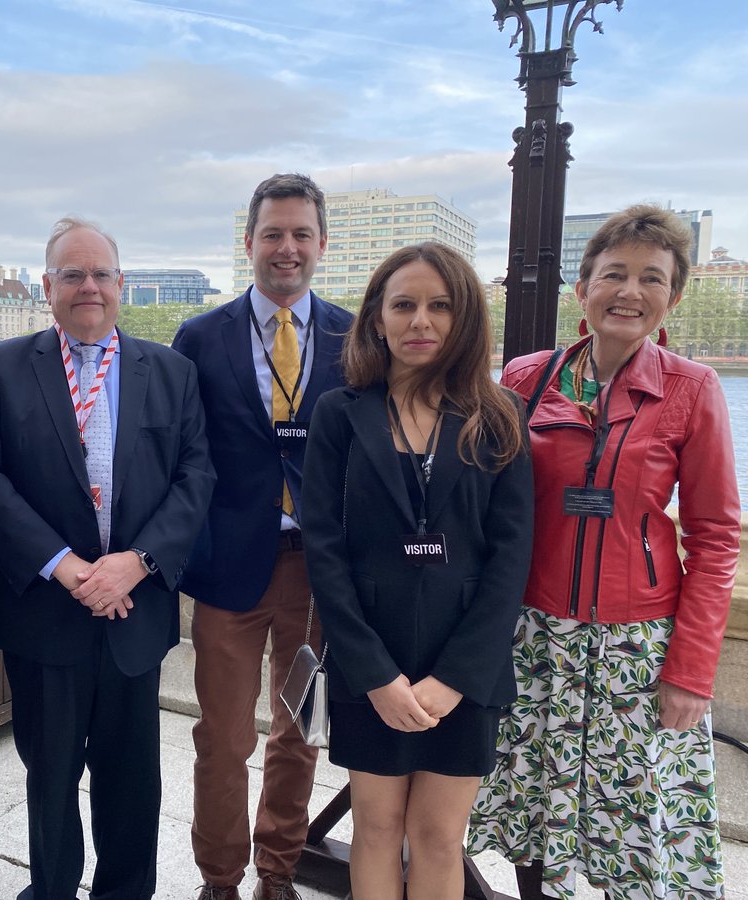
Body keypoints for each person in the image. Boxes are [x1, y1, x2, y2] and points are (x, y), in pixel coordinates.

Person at [469, 204, 741, 900]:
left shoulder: (692, 388)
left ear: (673, 296)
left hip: (637, 645)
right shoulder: (527, 378)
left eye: (652, 278)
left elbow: (714, 538)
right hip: (533, 635)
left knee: (636, 821)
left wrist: (692, 669)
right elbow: (485, 503)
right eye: (613, 274)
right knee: (533, 804)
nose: (630, 291)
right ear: (581, 289)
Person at [0, 216, 215, 900]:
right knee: (48, 782)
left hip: (136, 610)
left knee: (132, 783)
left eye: (101, 274)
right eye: (72, 275)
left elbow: (196, 478)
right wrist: (67, 567)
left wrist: (138, 561)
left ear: (122, 285)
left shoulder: (171, 371)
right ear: (47, 287)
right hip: (47, 616)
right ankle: (51, 890)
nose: (88, 287)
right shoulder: (0, 370)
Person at [303, 242, 533, 900]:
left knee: (438, 836)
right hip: (369, 658)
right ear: (377, 317)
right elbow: (325, 549)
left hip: (466, 663)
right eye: (403, 305)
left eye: (440, 305)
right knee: (376, 829)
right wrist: (373, 674)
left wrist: (456, 678)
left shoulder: (500, 417)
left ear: (464, 320)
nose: (421, 321)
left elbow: (509, 557)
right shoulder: (338, 415)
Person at [173, 172, 355, 900]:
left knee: (299, 733)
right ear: (248, 242)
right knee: (223, 740)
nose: (287, 248)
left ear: (321, 244)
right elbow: (181, 452)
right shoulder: (199, 336)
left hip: (316, 573)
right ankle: (219, 879)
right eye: (273, 234)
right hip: (229, 570)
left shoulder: (355, 334)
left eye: (301, 234)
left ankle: (276, 872)